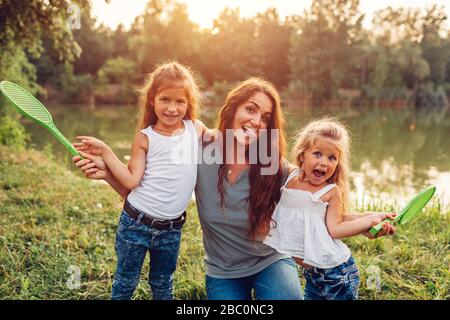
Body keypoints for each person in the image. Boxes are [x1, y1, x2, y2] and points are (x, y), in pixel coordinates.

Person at [73, 78, 396, 300]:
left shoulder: (274, 166)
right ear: (233, 110)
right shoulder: (198, 151)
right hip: (223, 271)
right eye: (250, 109)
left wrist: (367, 223)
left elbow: (324, 206)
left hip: (270, 261)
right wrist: (108, 175)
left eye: (265, 117)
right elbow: (148, 196)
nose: (256, 121)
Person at [74, 61, 211, 300]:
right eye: (165, 99)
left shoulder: (195, 129)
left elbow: (224, 142)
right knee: (125, 283)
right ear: (152, 100)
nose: (172, 108)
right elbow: (130, 180)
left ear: (189, 103)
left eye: (180, 101)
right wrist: (106, 151)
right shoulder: (145, 138)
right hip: (136, 223)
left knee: (163, 283)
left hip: (171, 229)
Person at [263, 118, 396, 300]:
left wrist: (370, 221)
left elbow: (335, 227)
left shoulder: (330, 191)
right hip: (313, 274)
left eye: (332, 157)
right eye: (317, 154)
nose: (324, 162)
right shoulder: (290, 176)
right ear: (302, 155)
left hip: (337, 274)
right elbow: (265, 153)